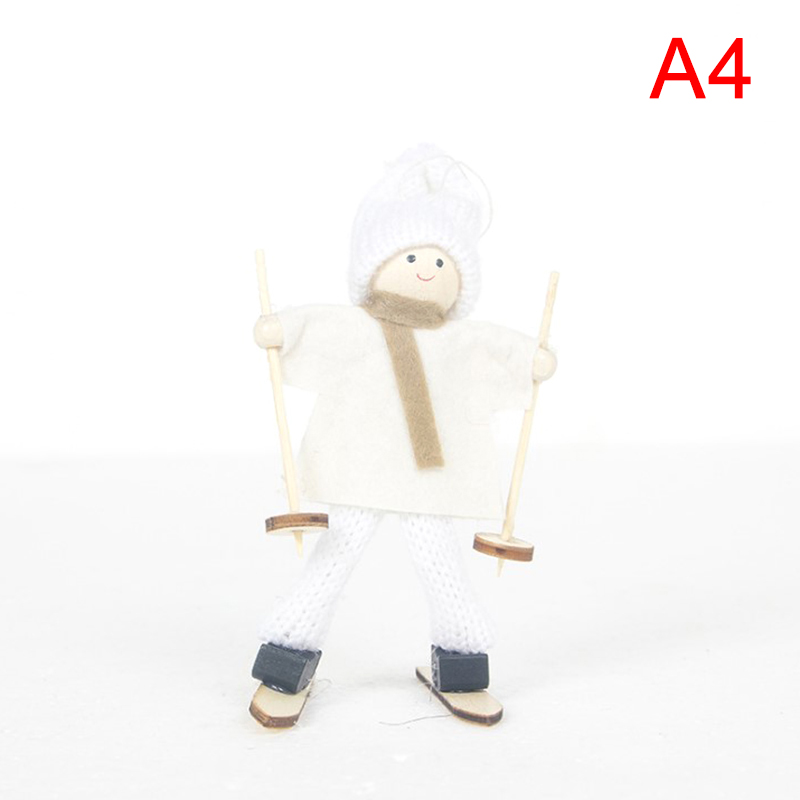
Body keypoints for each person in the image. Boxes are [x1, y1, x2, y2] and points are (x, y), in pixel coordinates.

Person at [250, 144, 557, 696]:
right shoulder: (355, 329)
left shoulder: (458, 341)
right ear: (374, 266)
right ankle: (288, 648)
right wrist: (281, 332)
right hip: (361, 469)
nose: (426, 270)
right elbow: (306, 331)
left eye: (440, 262)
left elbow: (499, 355)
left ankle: (461, 656)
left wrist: (531, 364)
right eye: (413, 257)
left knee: (441, 562)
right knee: (336, 553)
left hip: (428, 480)